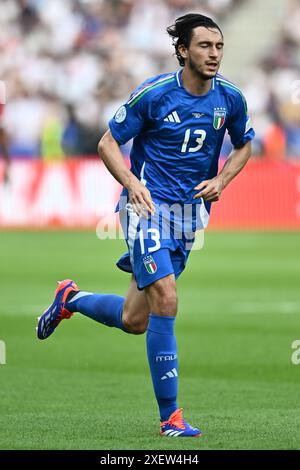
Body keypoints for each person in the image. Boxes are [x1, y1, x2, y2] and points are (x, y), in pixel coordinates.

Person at [37, 13, 255, 437]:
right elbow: (106, 142)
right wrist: (132, 183)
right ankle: (170, 418)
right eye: (204, 46)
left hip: (189, 218)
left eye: (218, 46)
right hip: (145, 209)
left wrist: (222, 179)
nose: (213, 54)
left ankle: (71, 298)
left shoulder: (230, 98)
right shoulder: (154, 95)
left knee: (135, 319)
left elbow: (245, 145)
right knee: (167, 299)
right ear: (182, 51)